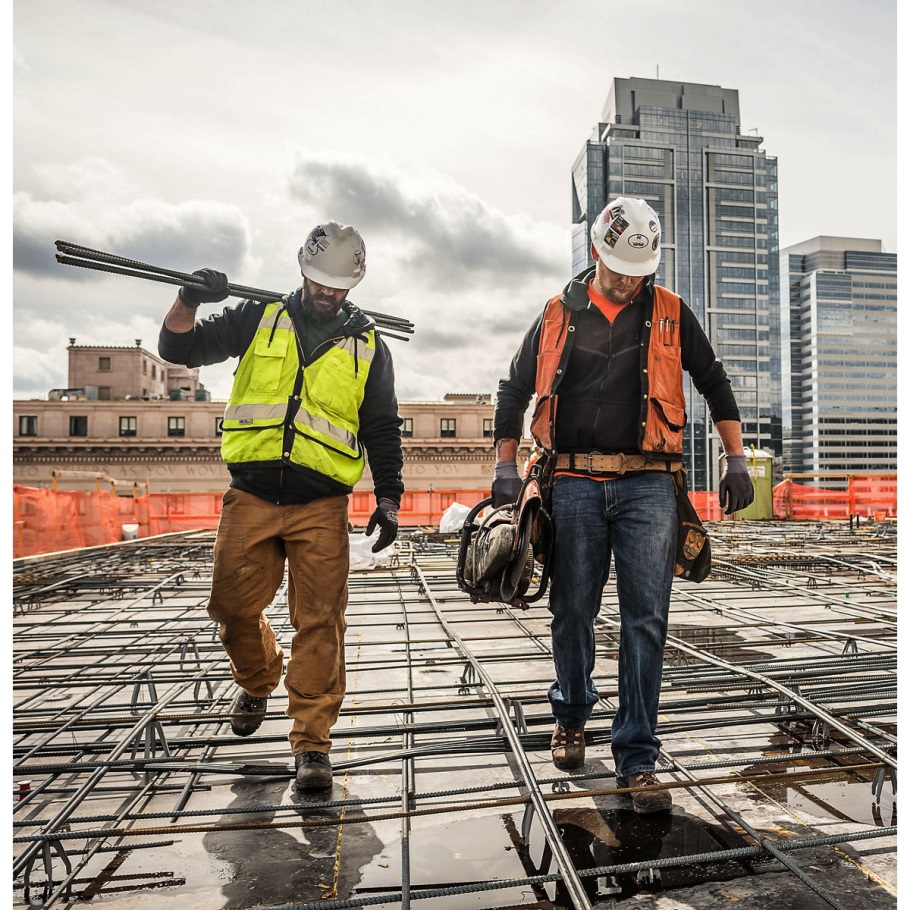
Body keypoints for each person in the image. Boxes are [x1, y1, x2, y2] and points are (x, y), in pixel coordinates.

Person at [491, 197, 753, 813]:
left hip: (649, 486)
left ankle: (636, 756)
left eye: (640, 270)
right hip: (575, 483)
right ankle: (572, 715)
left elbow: (713, 381)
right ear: (594, 254)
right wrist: (505, 465)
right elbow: (514, 387)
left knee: (645, 622)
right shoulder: (558, 313)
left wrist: (735, 458)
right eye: (619, 269)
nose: (631, 280)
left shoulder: (669, 312)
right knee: (571, 610)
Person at [158, 221, 404, 791]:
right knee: (231, 607)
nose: (329, 293)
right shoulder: (258, 317)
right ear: (302, 270)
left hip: (321, 504)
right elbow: (179, 347)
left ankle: (312, 744)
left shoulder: (369, 346)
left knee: (320, 624)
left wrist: (389, 499)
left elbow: (383, 428)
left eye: (340, 286)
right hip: (250, 495)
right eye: (320, 282)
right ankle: (259, 676)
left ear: (354, 284)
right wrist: (189, 298)